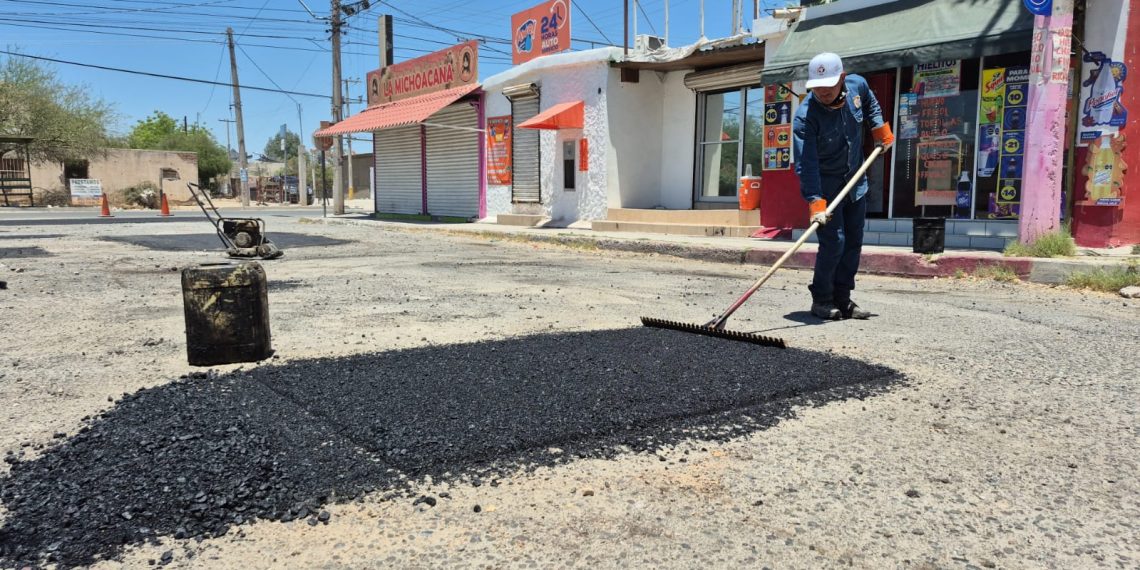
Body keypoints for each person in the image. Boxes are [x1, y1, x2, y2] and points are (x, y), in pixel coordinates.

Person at [792, 52, 894, 320]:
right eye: (818, 88)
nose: (823, 92)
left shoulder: (858, 86)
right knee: (834, 242)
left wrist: (879, 129)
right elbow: (806, 163)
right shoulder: (806, 118)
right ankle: (822, 299)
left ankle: (843, 298)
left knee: (853, 242)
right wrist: (815, 202)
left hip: (856, 182)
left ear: (842, 79)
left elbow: (871, 104)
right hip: (827, 188)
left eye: (829, 86)